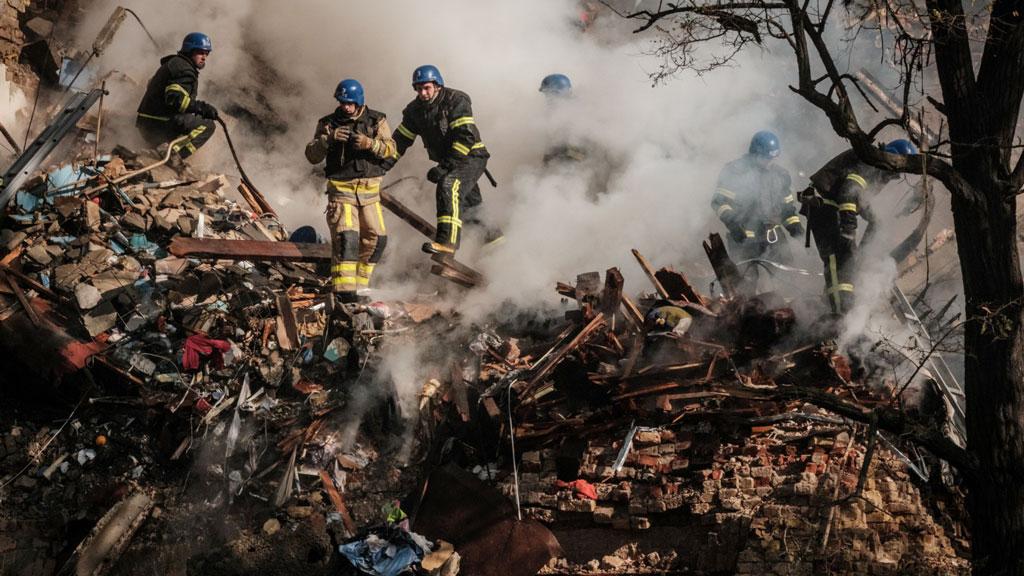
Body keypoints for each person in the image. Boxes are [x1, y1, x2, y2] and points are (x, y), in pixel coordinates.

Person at [387, 65, 496, 255]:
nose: (423, 93)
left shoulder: (456, 100)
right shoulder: (415, 111)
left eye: (427, 88)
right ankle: (496, 246)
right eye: (419, 89)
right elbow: (401, 141)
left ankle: (447, 242)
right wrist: (381, 166)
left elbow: (466, 137)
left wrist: (445, 167)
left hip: (471, 155)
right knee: (473, 210)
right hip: (451, 160)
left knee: (449, 185)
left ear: (437, 85)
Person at [801, 138, 917, 315]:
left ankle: (837, 306)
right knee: (838, 258)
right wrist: (849, 227)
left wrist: (874, 220)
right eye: (896, 168)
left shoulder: (874, 164)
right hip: (824, 206)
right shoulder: (870, 162)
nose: (895, 175)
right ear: (891, 157)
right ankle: (839, 314)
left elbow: (859, 199)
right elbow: (848, 193)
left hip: (830, 207)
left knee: (848, 260)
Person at [305, 79, 396, 304]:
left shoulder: (377, 120)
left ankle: (360, 287)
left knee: (377, 239)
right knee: (348, 240)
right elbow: (311, 155)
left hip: (370, 193)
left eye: (349, 103)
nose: (345, 107)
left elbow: (391, 149)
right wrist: (328, 140)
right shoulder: (327, 123)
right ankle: (344, 295)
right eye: (342, 102)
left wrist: (369, 144)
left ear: (359, 101)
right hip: (342, 193)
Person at [710, 131, 803, 276]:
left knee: (787, 277)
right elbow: (719, 202)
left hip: (773, 235)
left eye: (773, 158)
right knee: (746, 283)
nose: (770, 162)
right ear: (755, 154)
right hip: (744, 236)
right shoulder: (735, 171)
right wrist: (733, 225)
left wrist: (795, 227)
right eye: (766, 158)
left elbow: (787, 208)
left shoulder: (780, 175)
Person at [136, 32, 219, 163]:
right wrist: (202, 108)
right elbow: (175, 100)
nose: (204, 57)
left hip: (147, 122)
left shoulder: (174, 63)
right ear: (189, 50)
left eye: (206, 53)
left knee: (188, 120)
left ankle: (163, 150)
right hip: (157, 124)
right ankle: (173, 155)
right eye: (200, 52)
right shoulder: (184, 69)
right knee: (207, 126)